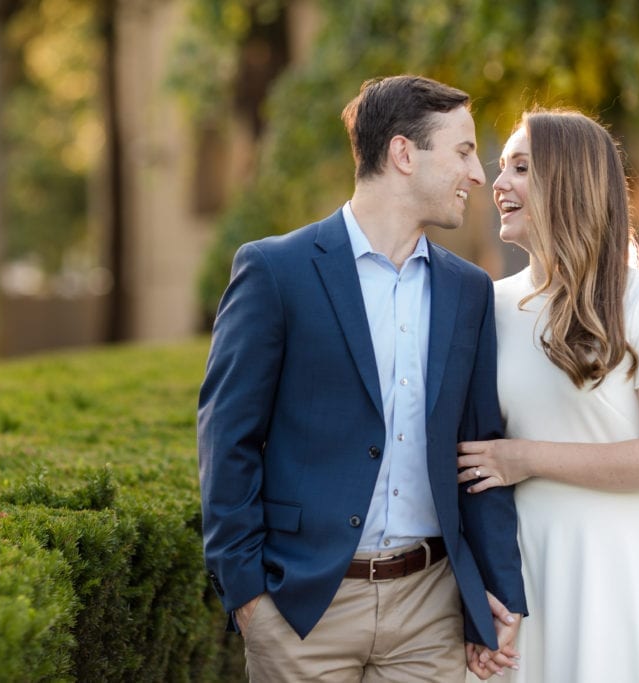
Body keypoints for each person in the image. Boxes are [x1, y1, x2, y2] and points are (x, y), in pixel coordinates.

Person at [198, 75, 527, 682]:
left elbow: (478, 453)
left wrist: (499, 590)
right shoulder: (276, 270)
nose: (478, 175)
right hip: (302, 609)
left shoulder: (469, 290)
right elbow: (228, 438)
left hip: (430, 609)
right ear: (404, 154)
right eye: (461, 152)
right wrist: (248, 599)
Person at [459, 108, 639, 682]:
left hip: (622, 568)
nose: (498, 184)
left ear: (571, 180)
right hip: (523, 571)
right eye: (501, 167)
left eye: (521, 167)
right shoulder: (488, 306)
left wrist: (524, 457)